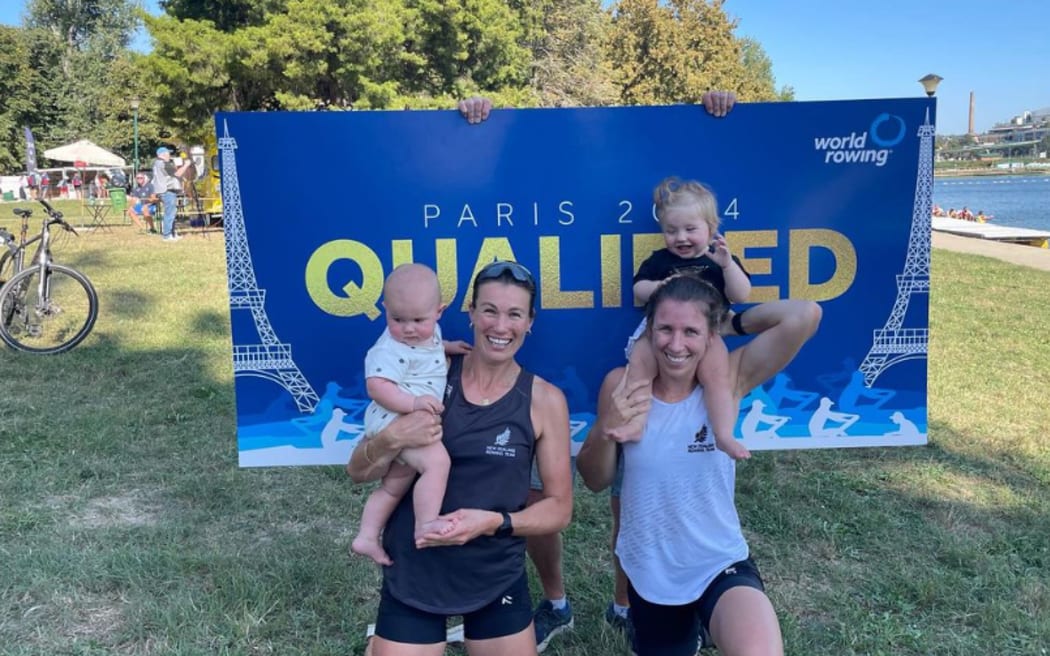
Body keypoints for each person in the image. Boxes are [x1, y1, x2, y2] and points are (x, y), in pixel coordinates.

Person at [578, 273, 820, 656]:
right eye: (665, 329)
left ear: (710, 337)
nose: (675, 344)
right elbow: (594, 479)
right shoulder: (623, 385)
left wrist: (726, 320)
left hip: (718, 562)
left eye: (690, 331)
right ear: (648, 331)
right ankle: (690, 633)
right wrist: (606, 428)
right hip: (650, 574)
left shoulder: (727, 382)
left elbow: (804, 314)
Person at [347, 260, 572, 656]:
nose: (500, 326)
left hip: (494, 572)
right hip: (416, 566)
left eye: (514, 314)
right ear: (469, 313)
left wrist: (494, 523)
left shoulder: (545, 400)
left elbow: (558, 510)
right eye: (489, 310)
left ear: (530, 322)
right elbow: (357, 471)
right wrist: (392, 438)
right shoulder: (426, 377)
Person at [613, 176, 752, 462]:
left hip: (709, 333)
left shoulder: (718, 260)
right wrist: (658, 287)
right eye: (671, 230)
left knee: (717, 379)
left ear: (711, 229)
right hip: (659, 331)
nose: (681, 238)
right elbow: (638, 290)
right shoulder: (660, 261)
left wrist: (727, 266)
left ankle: (724, 434)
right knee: (639, 365)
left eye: (691, 229)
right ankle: (637, 424)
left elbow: (741, 294)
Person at [350, 263, 459, 566]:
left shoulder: (428, 334)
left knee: (393, 486)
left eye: (418, 320)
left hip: (404, 417)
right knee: (438, 463)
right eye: (397, 319)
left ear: (439, 311)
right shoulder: (387, 349)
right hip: (393, 416)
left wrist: (447, 348)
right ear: (385, 309)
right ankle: (426, 523)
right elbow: (377, 387)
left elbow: (428, 348)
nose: (408, 328)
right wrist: (413, 403)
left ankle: (367, 536)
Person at [151, 146, 191, 242]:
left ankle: (173, 233)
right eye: (168, 153)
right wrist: (186, 165)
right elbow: (177, 174)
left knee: (171, 212)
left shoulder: (156, 163)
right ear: (162, 155)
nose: (170, 155)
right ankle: (167, 236)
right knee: (170, 213)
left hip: (162, 191)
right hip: (167, 191)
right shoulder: (164, 163)